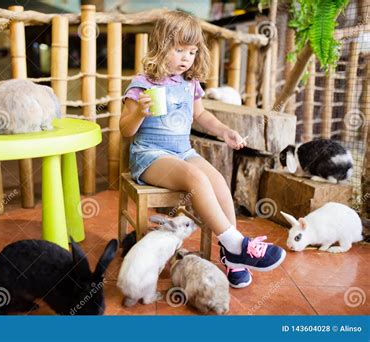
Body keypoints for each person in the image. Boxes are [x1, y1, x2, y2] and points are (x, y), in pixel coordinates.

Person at [119, 11, 286, 289]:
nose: (187, 58)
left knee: (218, 180)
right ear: (161, 47)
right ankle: (236, 245)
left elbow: (202, 115)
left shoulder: (190, 83)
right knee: (196, 179)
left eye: (192, 51)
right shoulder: (142, 84)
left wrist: (224, 131)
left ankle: (233, 256)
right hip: (150, 156)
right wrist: (139, 113)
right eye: (179, 49)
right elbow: (125, 129)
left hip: (183, 152)